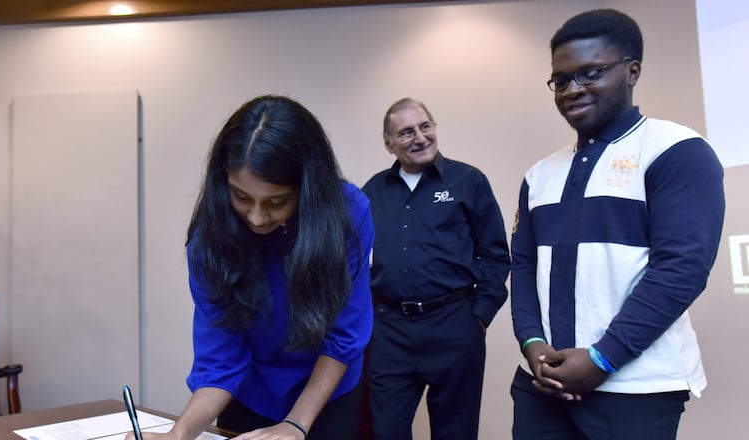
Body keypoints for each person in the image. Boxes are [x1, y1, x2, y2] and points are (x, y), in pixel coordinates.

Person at [510, 9, 725, 440]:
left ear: (632, 71)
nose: (572, 90)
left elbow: (680, 271)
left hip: (636, 388)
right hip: (542, 386)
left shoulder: (676, 150)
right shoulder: (539, 175)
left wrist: (602, 359)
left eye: (590, 73)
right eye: (561, 79)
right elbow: (523, 268)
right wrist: (533, 345)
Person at [127, 95, 374, 440]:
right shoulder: (209, 239)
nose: (257, 218)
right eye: (241, 197)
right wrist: (179, 435)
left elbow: (344, 337)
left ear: (307, 190)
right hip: (251, 390)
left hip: (326, 389)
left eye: (277, 202)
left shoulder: (348, 216)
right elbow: (221, 361)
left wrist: (294, 425)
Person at [362, 97, 510, 440]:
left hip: (454, 324)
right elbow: (355, 256)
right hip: (391, 332)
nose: (420, 137)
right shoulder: (372, 191)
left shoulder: (468, 181)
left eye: (425, 126)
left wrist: (480, 317)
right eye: (406, 132)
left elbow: (496, 254)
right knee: (385, 432)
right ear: (389, 143)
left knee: (454, 433)